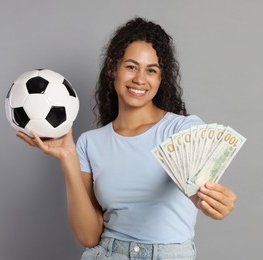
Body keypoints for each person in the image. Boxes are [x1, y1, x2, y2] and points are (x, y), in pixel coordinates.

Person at [17, 17, 237, 260]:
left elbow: (197, 189)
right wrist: (68, 157)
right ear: (113, 68)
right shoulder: (90, 143)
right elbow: (89, 237)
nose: (140, 79)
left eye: (151, 70)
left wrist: (212, 202)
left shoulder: (183, 129)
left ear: (160, 78)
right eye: (131, 67)